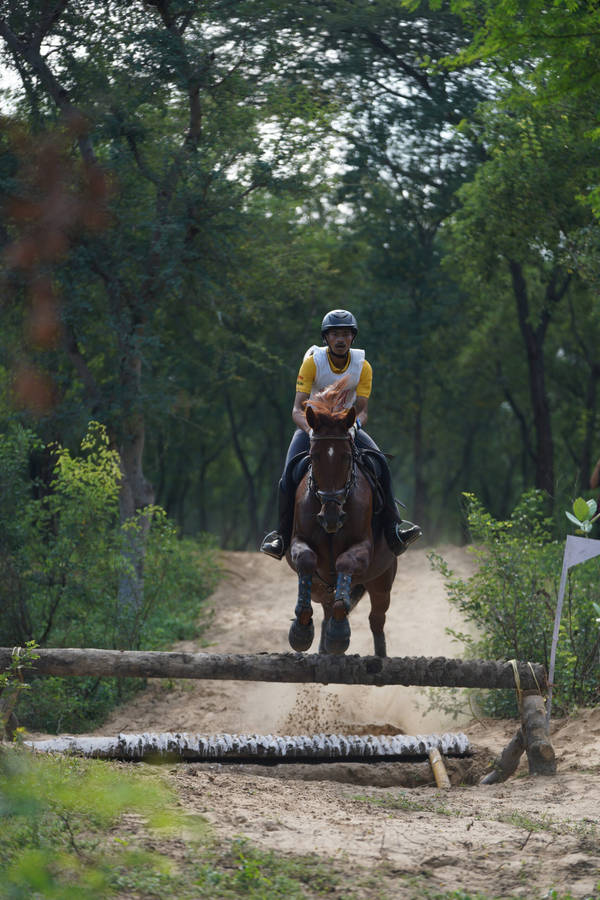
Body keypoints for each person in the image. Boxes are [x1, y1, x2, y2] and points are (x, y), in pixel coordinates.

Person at [260, 308, 422, 559]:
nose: (340, 339)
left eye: (346, 334)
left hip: (346, 429)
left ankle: (394, 529)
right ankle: (281, 536)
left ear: (352, 338)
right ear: (326, 338)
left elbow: (363, 411)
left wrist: (352, 428)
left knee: (380, 463)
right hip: (314, 428)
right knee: (287, 476)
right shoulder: (312, 362)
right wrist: (312, 430)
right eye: (335, 334)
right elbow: (296, 409)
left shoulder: (363, 366)